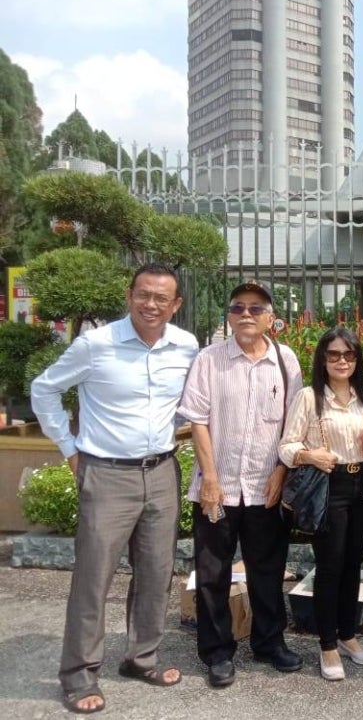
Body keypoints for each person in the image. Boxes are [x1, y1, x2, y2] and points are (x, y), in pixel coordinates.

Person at [30, 263, 199, 715]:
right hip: (105, 475)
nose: (151, 304)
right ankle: (79, 674)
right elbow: (43, 389)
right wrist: (68, 447)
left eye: (162, 298)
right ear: (129, 296)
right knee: (93, 578)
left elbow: (191, 404)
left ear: (176, 305)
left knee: (157, 572)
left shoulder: (185, 346)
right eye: (143, 294)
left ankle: (141, 658)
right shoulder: (95, 345)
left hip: (162, 472)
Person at [177, 281, 304, 688]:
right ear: (229, 316)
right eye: (238, 308)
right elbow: (197, 420)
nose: (246, 314)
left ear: (271, 317)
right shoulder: (209, 360)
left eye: (255, 308)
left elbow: (293, 425)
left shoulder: (286, 361)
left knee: (268, 570)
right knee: (212, 573)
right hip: (219, 486)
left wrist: (281, 474)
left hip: (266, 485)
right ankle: (217, 652)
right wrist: (210, 479)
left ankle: (269, 642)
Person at [278, 326, 363, 682]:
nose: (341, 361)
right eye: (334, 354)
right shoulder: (309, 397)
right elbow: (286, 446)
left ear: (357, 360)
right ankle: (328, 644)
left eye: (348, 355)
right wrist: (308, 454)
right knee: (330, 565)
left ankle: (348, 633)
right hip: (329, 483)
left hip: (362, 483)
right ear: (323, 358)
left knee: (353, 563)